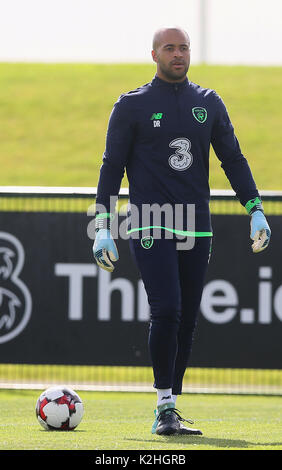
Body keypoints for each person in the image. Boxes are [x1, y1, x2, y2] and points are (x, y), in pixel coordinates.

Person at [92, 27, 271, 436]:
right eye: (169, 48)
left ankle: (170, 408)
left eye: (184, 47)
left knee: (187, 319)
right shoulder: (131, 105)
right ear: (153, 54)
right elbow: (111, 167)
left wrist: (255, 208)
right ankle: (164, 404)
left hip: (197, 227)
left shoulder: (208, 102)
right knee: (167, 309)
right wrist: (102, 225)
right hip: (150, 220)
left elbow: (233, 158)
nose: (178, 54)